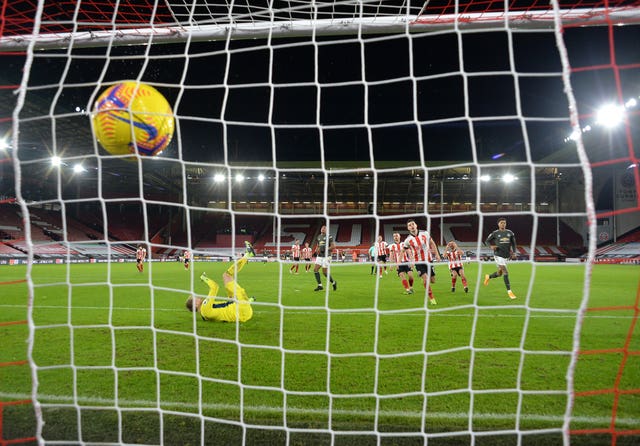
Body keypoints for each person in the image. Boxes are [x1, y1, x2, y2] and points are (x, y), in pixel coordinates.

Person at [185, 243, 256, 322]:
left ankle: (248, 301)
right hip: (242, 311)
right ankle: (247, 255)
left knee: (230, 297)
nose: (198, 297)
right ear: (195, 305)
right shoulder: (205, 306)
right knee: (226, 275)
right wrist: (204, 278)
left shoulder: (204, 315)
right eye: (195, 298)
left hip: (243, 314)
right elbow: (215, 287)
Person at [403, 219, 441, 305]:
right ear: (408, 228)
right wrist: (410, 260)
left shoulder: (425, 233)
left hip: (429, 260)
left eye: (413, 224)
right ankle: (432, 298)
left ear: (416, 225)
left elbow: (432, 243)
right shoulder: (407, 240)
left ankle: (423, 278)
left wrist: (437, 254)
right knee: (426, 280)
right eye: (409, 225)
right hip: (418, 262)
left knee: (433, 280)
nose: (412, 226)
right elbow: (404, 250)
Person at [484, 217, 517, 299]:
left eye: (504, 223)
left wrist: (514, 252)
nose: (503, 224)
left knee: (499, 273)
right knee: (505, 272)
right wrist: (491, 246)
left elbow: (514, 244)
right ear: (498, 224)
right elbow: (487, 241)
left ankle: (489, 277)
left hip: (506, 256)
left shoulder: (510, 233)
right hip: (498, 255)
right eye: (501, 222)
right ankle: (510, 292)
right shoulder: (495, 233)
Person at [312, 225, 337, 291]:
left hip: (327, 256)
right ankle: (320, 285)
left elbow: (333, 246)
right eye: (322, 228)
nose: (322, 229)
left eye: (324, 228)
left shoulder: (329, 236)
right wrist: (316, 250)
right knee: (315, 269)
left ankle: (334, 282)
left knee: (324, 273)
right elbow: (318, 246)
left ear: (326, 230)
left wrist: (326, 249)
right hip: (319, 256)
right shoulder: (319, 236)